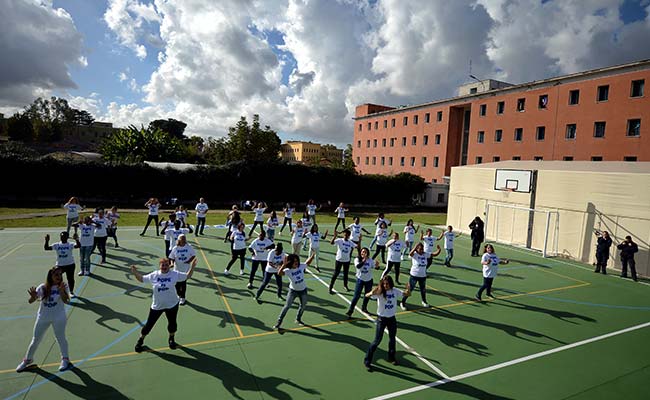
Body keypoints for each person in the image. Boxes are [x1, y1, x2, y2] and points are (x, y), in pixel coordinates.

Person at [131, 258, 196, 352]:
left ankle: (171, 339)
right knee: (149, 325)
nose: (164, 267)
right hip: (157, 306)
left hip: (172, 304)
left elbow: (187, 276)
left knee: (172, 324)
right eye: (163, 265)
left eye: (166, 265)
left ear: (169, 265)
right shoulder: (154, 275)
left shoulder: (174, 274)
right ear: (160, 266)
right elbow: (142, 279)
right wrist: (135, 272)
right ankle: (140, 340)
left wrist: (192, 267)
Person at [16, 267, 73, 372]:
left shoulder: (63, 286)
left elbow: (66, 301)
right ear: (50, 276)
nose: (59, 277)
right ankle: (27, 360)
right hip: (43, 317)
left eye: (60, 275)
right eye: (56, 275)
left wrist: (61, 292)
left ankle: (65, 359)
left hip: (59, 317)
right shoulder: (43, 287)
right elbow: (31, 301)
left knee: (60, 338)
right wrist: (33, 297)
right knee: (36, 339)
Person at [363, 275, 410, 371]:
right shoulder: (380, 293)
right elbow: (366, 295)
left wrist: (408, 289)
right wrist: (373, 292)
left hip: (391, 319)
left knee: (392, 339)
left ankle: (391, 357)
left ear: (391, 284)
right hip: (381, 319)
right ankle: (367, 361)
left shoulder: (395, 291)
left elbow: (406, 294)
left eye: (387, 284)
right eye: (384, 284)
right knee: (377, 341)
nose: (385, 286)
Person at [272, 253, 315, 330]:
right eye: (294, 261)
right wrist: (284, 265)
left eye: (297, 261)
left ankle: (298, 319)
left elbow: (307, 263)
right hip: (293, 291)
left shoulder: (301, 266)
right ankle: (279, 321)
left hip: (303, 290)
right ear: (290, 262)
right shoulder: (288, 270)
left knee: (303, 305)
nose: (296, 262)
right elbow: (279, 273)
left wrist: (312, 255)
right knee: (287, 306)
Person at [400, 243, 441, 310]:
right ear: (417, 249)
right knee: (410, 290)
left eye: (422, 248)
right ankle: (403, 302)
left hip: (422, 276)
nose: (421, 250)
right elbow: (410, 253)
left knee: (423, 290)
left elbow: (434, 254)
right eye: (420, 249)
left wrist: (439, 250)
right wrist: (415, 247)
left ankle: (424, 301)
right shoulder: (414, 255)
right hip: (414, 275)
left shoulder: (425, 254)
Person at [44, 232, 80, 298]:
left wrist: (77, 239)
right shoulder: (57, 245)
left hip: (70, 264)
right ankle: (58, 290)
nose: (62, 238)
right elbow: (46, 248)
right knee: (57, 278)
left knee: (70, 279)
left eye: (64, 237)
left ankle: (71, 292)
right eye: (61, 237)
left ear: (67, 237)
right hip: (60, 265)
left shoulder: (70, 244)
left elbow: (78, 246)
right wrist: (47, 241)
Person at [346, 247, 378, 317]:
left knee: (367, 295)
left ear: (368, 253)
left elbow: (375, 267)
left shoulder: (370, 260)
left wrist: (377, 265)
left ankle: (364, 308)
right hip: (360, 280)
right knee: (356, 296)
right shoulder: (357, 259)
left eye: (365, 252)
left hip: (369, 280)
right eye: (362, 252)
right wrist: (363, 261)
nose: (363, 253)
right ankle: (350, 310)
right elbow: (358, 266)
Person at [169, 234, 196, 305]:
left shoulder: (189, 247)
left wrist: (189, 261)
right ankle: (178, 294)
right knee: (177, 284)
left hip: (185, 269)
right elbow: (171, 257)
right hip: (177, 268)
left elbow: (193, 255)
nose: (184, 240)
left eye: (184, 239)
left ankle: (182, 297)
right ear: (179, 240)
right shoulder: (175, 248)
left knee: (183, 283)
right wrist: (172, 263)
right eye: (182, 239)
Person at [328, 229, 354, 294]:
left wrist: (359, 241)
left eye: (347, 235)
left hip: (347, 261)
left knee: (346, 274)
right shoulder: (339, 240)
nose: (346, 236)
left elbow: (356, 247)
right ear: (343, 235)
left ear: (349, 236)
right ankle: (331, 287)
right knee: (336, 274)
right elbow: (331, 243)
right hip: (339, 260)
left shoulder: (350, 242)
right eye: (345, 235)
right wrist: (334, 236)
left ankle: (345, 285)